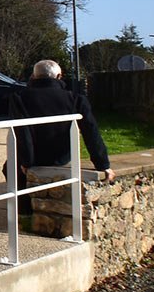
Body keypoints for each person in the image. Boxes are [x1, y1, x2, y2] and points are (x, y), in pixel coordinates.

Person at [13, 60, 114, 195]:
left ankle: (23, 209)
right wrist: (103, 165)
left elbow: (22, 132)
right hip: (61, 157)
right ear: (59, 76)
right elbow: (91, 131)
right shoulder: (75, 98)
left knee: (9, 168)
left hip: (35, 156)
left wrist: (27, 162)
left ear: (33, 76)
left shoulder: (20, 97)